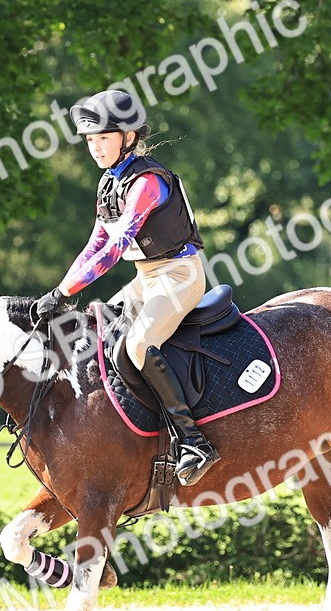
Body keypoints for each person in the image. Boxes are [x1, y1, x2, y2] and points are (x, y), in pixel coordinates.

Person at [33, 89, 219, 486]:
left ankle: (193, 440)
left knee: (138, 345)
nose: (95, 147)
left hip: (179, 276)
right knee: (92, 329)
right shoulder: (109, 183)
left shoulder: (147, 182)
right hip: (146, 278)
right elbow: (94, 245)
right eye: (90, 140)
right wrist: (58, 291)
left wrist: (63, 293)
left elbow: (116, 247)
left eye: (103, 138)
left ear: (129, 137)